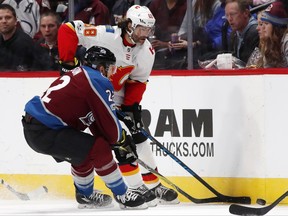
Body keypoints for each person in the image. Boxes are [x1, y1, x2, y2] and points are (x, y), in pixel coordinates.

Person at [57, 4, 179, 207]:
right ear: (129, 25)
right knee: (120, 138)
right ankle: (133, 186)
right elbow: (68, 29)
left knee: (137, 134)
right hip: (92, 95)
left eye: (149, 30)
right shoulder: (105, 34)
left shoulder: (147, 51)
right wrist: (68, 65)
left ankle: (153, 183)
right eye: (142, 29)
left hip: (116, 95)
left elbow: (137, 82)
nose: (145, 34)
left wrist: (131, 109)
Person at [22, 45, 147, 210]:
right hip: (45, 130)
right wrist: (119, 139)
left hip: (37, 129)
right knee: (99, 148)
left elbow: (97, 118)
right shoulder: (97, 79)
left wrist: (115, 135)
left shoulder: (82, 74)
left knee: (84, 151)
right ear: (101, 67)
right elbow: (107, 122)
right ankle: (122, 194)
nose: (111, 73)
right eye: (111, 68)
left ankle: (85, 196)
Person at [148, 0, 187, 69]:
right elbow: (147, 27)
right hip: (157, 55)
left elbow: (189, 32)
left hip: (181, 54)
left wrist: (165, 44)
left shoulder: (186, 5)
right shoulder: (156, 4)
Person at [0, 4, 38, 71]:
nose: (4, 21)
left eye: (8, 17)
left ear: (15, 21)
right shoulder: (2, 39)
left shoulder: (23, 43)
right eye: (0, 18)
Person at [258, 0, 288, 67]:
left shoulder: (287, 41)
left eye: (266, 23)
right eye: (262, 23)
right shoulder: (269, 41)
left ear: (276, 27)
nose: (263, 27)